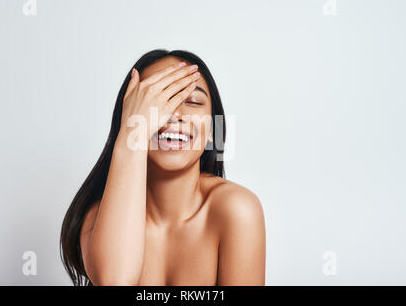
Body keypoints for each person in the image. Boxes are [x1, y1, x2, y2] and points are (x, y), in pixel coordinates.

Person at [60, 49, 266, 286]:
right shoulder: (98, 216)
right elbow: (114, 282)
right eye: (156, 101)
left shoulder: (237, 210)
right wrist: (131, 140)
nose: (175, 114)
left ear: (212, 129)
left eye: (193, 101)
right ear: (129, 119)